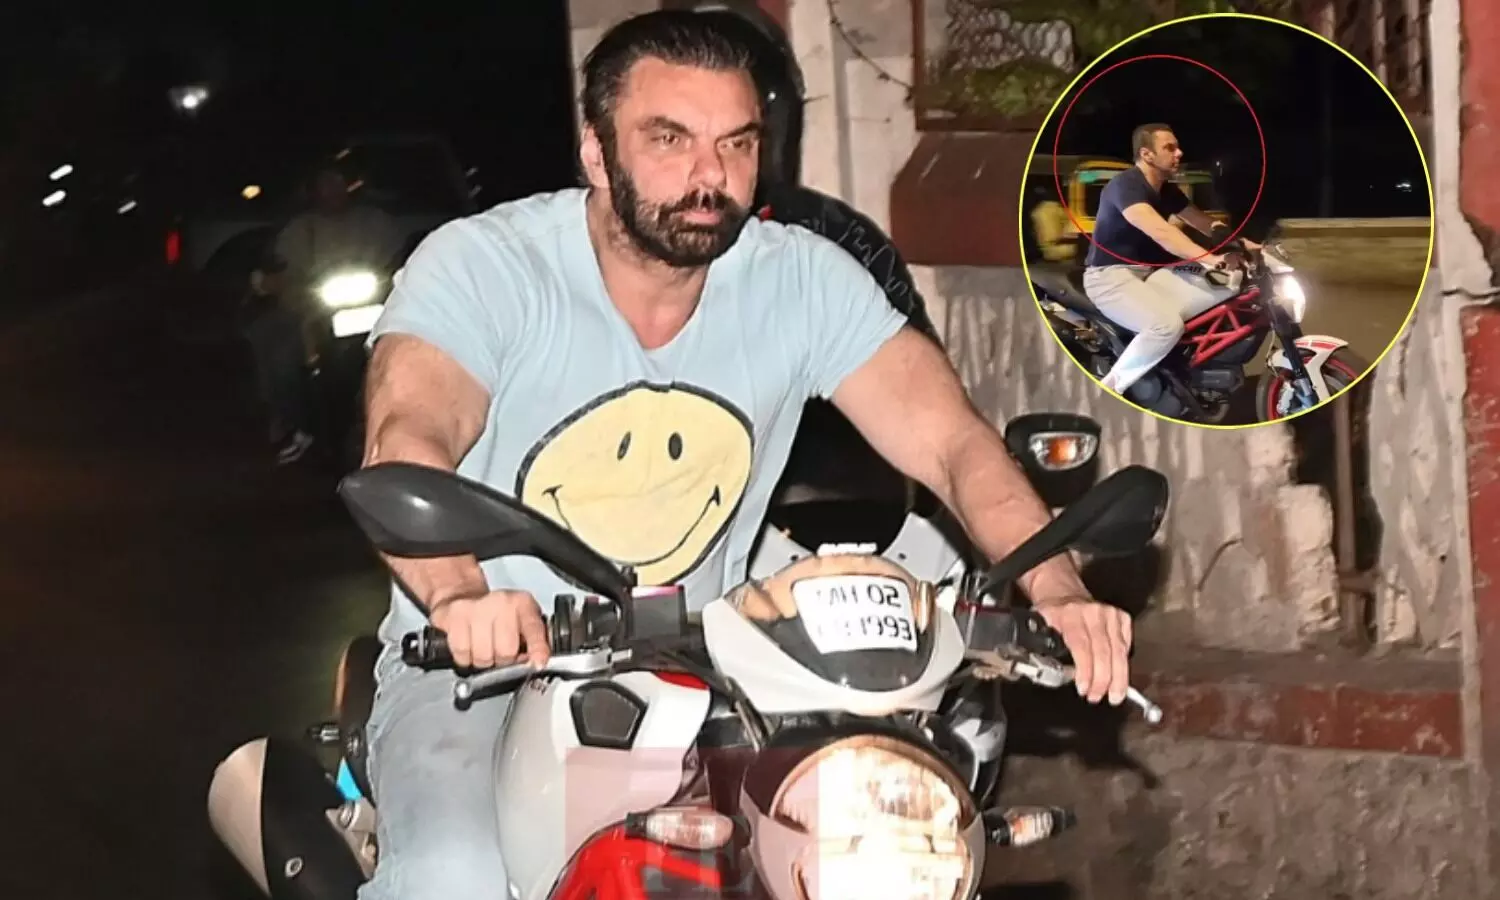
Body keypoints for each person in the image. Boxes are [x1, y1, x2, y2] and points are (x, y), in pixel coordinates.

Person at [357, 11, 1133, 899]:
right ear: (596, 153)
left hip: (709, 666)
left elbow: (954, 443)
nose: (709, 175)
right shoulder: (487, 268)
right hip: (483, 668)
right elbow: (407, 435)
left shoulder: (798, 279)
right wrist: (460, 598)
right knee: (451, 874)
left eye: (736, 143)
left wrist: (1057, 589)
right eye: (669, 139)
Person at [1081, 123, 1260, 396]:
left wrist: (1246, 245)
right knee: (1165, 326)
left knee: (1228, 282)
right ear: (1147, 154)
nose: (1179, 153)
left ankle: (1187, 368)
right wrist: (1209, 258)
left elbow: (1204, 223)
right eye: (1170, 148)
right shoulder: (1125, 186)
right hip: (1110, 276)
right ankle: (1110, 390)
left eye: (1177, 147)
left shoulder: (1166, 190)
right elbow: (1162, 232)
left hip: (1151, 273)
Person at [244, 164, 403, 464]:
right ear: (314, 191)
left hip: (375, 307)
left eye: (338, 183)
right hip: (313, 313)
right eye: (325, 185)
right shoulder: (300, 230)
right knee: (280, 355)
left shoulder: (377, 222)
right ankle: (295, 425)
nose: (332, 191)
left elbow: (399, 258)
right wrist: (276, 283)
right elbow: (280, 272)